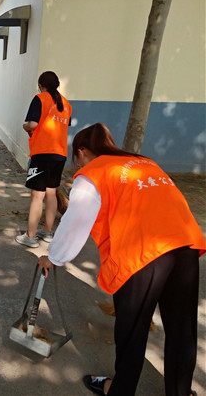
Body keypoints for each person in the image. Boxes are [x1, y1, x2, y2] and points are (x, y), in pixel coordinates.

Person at [37, 123, 205, 396]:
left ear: (81, 151)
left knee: (132, 328)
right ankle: (180, 392)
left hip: (144, 255)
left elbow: (75, 221)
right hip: (185, 245)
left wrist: (54, 257)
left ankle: (120, 390)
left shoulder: (93, 172)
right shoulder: (145, 163)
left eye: (76, 157)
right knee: (182, 328)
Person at [16, 71, 72, 248]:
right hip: (60, 154)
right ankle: (47, 233)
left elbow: (32, 124)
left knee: (37, 196)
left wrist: (25, 127)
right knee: (51, 193)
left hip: (42, 153)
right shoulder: (66, 104)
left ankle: (30, 236)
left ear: (40, 85)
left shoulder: (40, 99)